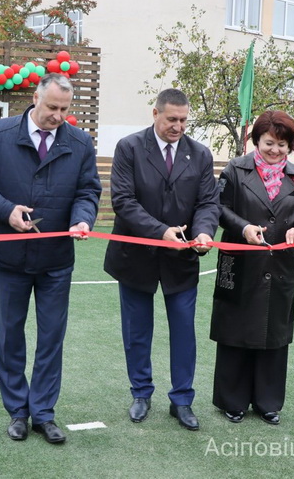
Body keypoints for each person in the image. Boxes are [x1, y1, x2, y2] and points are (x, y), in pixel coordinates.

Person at [0, 73, 101, 444]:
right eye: (52, 107)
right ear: (35, 98)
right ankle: (18, 412)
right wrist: (6, 211)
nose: (58, 115)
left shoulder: (80, 141)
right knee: (9, 337)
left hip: (56, 259)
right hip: (10, 256)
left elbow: (89, 189)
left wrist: (82, 219)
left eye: (64, 110)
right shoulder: (0, 133)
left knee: (51, 337)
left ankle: (43, 412)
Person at [103, 88, 220, 431]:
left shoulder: (200, 154)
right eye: (172, 119)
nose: (178, 126)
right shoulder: (129, 147)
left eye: (184, 120)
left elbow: (208, 203)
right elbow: (123, 201)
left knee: (184, 332)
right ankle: (141, 393)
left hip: (182, 259)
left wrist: (202, 233)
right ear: (154, 113)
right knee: (137, 331)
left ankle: (182, 400)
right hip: (136, 255)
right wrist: (160, 232)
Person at [210, 110, 294, 425]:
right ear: (256, 140)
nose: (275, 150)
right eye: (269, 143)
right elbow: (219, 208)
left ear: (290, 146)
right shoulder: (235, 169)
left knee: (275, 334)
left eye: (282, 145)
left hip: (281, 267)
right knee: (235, 330)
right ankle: (232, 400)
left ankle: (268, 402)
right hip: (241, 264)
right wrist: (244, 227)